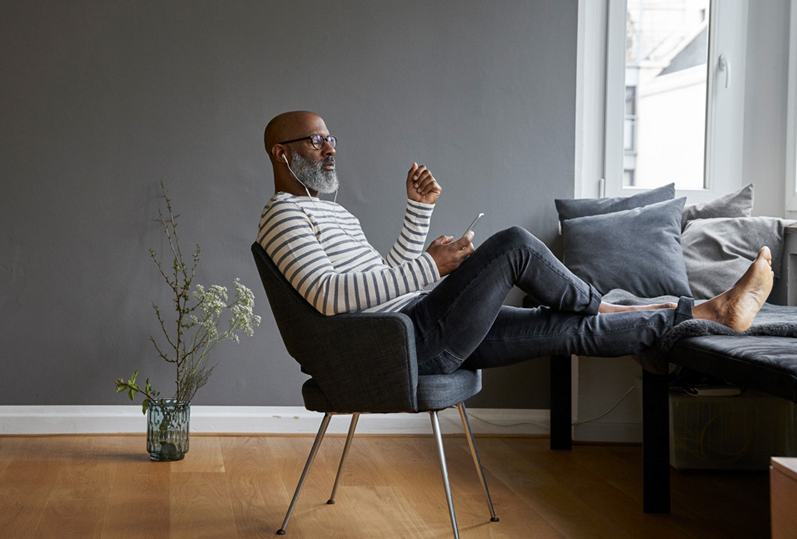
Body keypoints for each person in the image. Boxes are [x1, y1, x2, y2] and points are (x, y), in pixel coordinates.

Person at [256, 110, 774, 374]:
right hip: (401, 342)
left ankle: (704, 314)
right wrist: (432, 268)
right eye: (317, 140)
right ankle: (608, 307)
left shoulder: (329, 213)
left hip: (412, 320)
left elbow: (378, 281)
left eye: (331, 140)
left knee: (570, 330)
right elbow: (329, 297)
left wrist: (418, 211)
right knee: (515, 245)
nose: (330, 150)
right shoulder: (282, 216)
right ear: (282, 154)